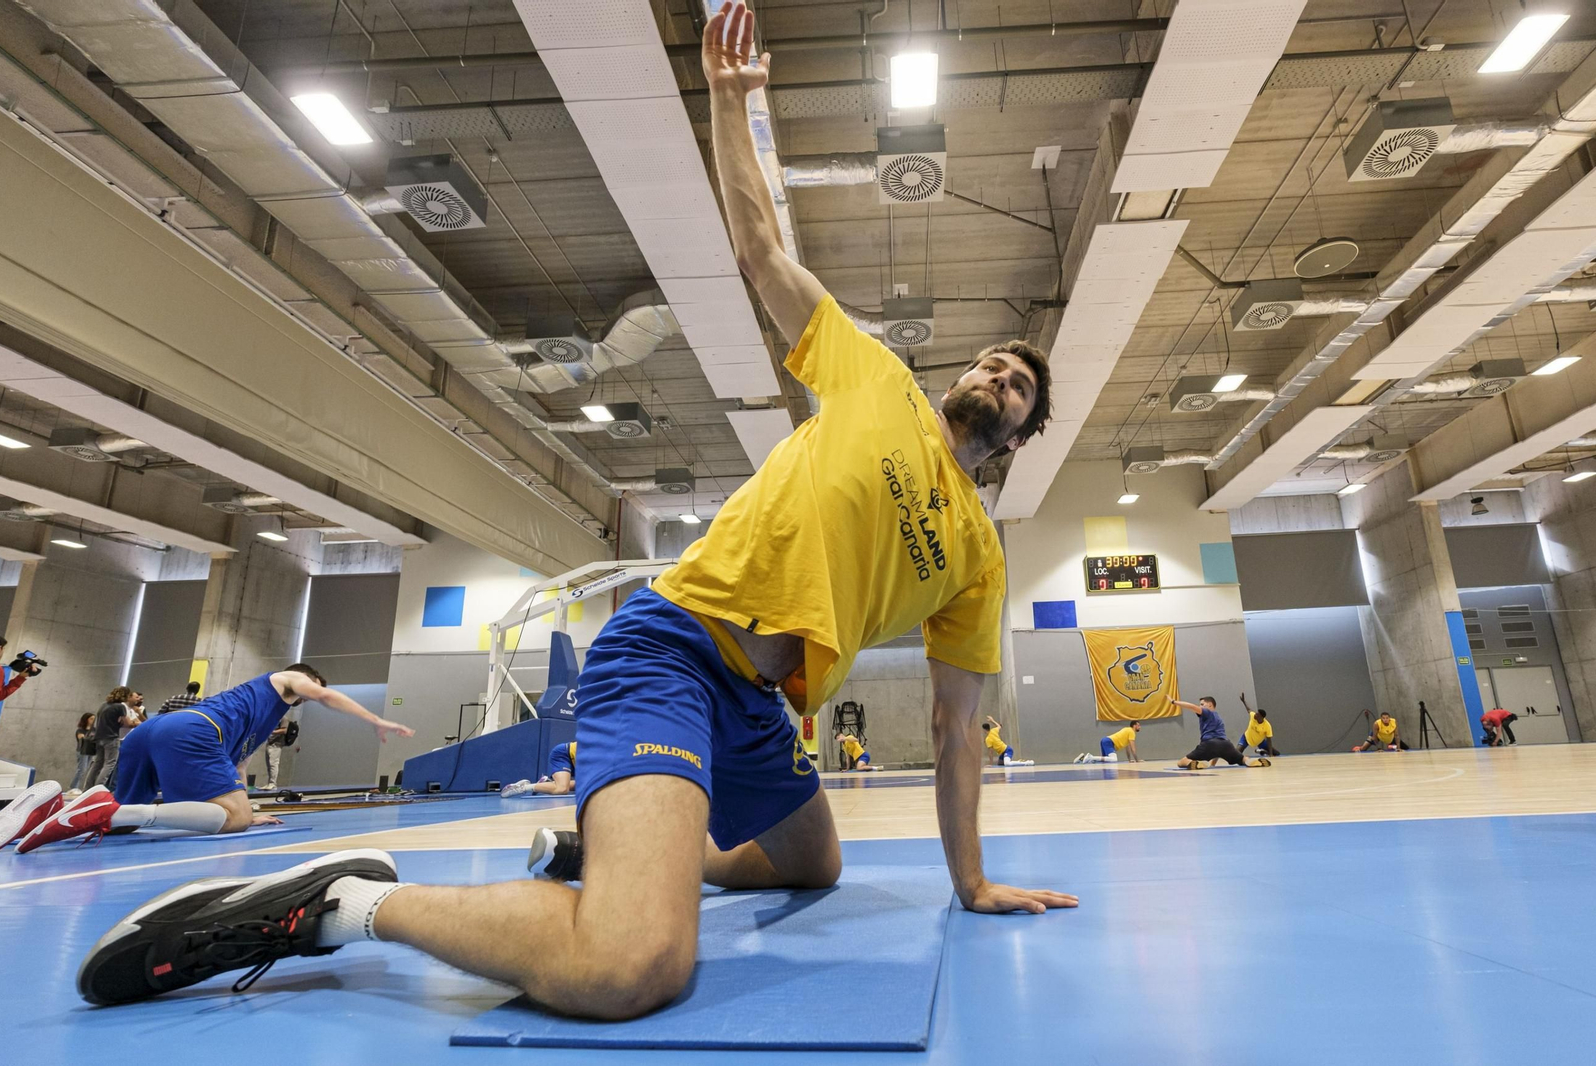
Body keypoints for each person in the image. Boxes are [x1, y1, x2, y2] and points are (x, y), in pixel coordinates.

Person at [76, 4, 1073, 1015]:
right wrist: (733, 104)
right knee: (631, 965)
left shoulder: (977, 557)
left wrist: (972, 882)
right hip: (676, 650)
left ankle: (585, 845)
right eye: (994, 360)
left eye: (1020, 385)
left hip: (758, 706)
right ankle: (339, 903)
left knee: (811, 865)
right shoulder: (878, 381)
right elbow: (764, 251)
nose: (998, 374)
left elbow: (956, 728)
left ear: (1019, 439)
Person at [17, 665, 413, 853]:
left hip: (152, 732)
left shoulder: (260, 718)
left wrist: (247, 806)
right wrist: (374, 718)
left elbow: (236, 767)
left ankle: (49, 810)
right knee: (234, 822)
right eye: (312, 688)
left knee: (125, 823)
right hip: (193, 729)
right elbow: (323, 694)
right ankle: (105, 808)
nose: (312, 694)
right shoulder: (283, 680)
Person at [1170, 697, 1270, 768]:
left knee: (1181, 762)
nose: (1199, 706)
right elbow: (1218, 749)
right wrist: (1213, 765)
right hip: (1226, 744)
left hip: (1209, 744)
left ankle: (1195, 763)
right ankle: (1249, 761)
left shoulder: (1207, 712)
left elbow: (1192, 707)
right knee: (1242, 759)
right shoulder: (1219, 718)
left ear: (1210, 705)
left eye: (1202, 704)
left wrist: (1174, 702)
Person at [84, 687, 141, 789]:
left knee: (97, 764)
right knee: (110, 763)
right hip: (111, 737)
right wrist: (136, 723)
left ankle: (87, 788)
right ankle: (98, 788)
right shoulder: (120, 707)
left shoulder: (103, 705)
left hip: (99, 737)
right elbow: (128, 723)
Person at [261, 715, 298, 791]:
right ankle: (269, 783)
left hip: (277, 744)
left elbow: (284, 730)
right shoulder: (273, 718)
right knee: (269, 765)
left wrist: (272, 731)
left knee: (273, 764)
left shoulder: (284, 718)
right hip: (270, 743)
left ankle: (273, 784)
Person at [1075, 721, 1140, 764]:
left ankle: (1081, 760)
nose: (1140, 727)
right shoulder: (1131, 732)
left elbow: (1128, 748)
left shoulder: (1127, 730)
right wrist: (1137, 760)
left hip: (1105, 740)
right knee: (1114, 759)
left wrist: (1129, 760)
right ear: (1134, 726)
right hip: (1109, 742)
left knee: (1105, 761)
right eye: (1138, 725)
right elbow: (1133, 749)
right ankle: (1090, 757)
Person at [69, 713, 97, 792]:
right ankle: (74, 787)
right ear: (86, 719)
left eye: (93, 719)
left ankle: (79, 787)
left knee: (87, 770)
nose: (93, 721)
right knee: (82, 770)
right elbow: (82, 738)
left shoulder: (94, 730)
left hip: (91, 751)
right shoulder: (81, 730)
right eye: (91, 719)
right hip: (82, 751)